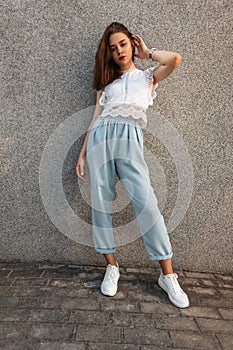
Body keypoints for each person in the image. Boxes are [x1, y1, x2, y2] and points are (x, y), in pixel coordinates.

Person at [76, 22, 189, 308]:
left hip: (129, 138)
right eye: (113, 48)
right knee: (101, 202)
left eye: (123, 44)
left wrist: (148, 52)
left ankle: (168, 275)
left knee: (146, 204)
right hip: (101, 138)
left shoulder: (148, 77)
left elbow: (174, 59)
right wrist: (82, 152)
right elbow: (95, 118)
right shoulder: (107, 83)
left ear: (132, 44)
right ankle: (111, 267)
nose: (119, 51)